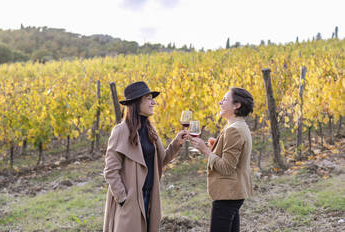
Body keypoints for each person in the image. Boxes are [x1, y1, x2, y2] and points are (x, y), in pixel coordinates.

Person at [103, 81, 188, 232]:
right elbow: (110, 170)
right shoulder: (120, 131)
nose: (153, 102)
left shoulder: (150, 131)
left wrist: (177, 143)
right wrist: (123, 198)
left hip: (149, 196)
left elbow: (161, 160)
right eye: (148, 98)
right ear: (136, 103)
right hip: (130, 199)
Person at [191, 87, 254, 232]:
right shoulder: (239, 126)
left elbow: (226, 167)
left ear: (236, 105)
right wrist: (216, 147)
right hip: (234, 192)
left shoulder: (233, 130)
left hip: (228, 193)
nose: (220, 102)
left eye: (225, 99)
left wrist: (205, 151)